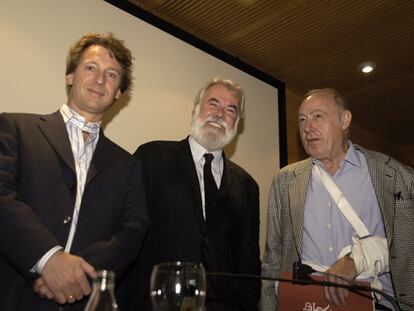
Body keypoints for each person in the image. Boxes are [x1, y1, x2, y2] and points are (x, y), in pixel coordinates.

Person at [0, 32, 148, 310]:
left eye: (112, 75)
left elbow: (132, 232)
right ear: (70, 76)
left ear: (118, 93)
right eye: (90, 68)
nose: (100, 80)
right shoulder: (15, 128)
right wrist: (48, 259)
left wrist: (74, 274)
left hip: (86, 302)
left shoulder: (128, 165)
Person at [261, 88, 414, 311]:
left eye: (317, 117)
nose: (307, 128)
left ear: (344, 120)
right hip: (306, 304)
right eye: (302, 120)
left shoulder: (393, 174)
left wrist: (356, 261)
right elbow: (273, 257)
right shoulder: (284, 181)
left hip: (377, 304)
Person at [127, 78, 261, 311]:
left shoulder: (248, 185)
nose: (220, 114)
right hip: (155, 303)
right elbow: (127, 232)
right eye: (213, 104)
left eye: (230, 110)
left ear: (237, 123)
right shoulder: (152, 157)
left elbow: (248, 260)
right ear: (196, 109)